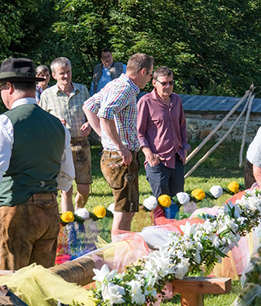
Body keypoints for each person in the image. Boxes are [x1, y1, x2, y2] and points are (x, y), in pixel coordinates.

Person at [0, 57, 75, 270]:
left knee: (10, 288)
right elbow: (67, 176)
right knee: (40, 284)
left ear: (9, 87)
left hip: (16, 212)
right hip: (50, 212)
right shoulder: (58, 126)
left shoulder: (6, 121)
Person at [83, 53, 154, 240]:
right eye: (150, 74)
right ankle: (119, 256)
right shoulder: (125, 89)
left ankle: (121, 252)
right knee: (124, 210)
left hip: (117, 154)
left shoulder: (114, 84)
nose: (150, 79)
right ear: (143, 71)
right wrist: (119, 146)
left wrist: (103, 136)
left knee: (127, 207)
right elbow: (105, 114)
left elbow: (88, 106)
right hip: (121, 157)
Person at [39, 57, 91, 213]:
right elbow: (41, 122)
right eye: (62, 73)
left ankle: (78, 211)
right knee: (66, 190)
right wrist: (53, 123)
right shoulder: (47, 95)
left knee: (84, 190)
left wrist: (89, 124)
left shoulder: (83, 90)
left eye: (68, 72)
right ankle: (69, 226)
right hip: (60, 147)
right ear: (54, 75)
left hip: (81, 144)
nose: (66, 76)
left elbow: (92, 115)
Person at [137, 67, 189, 214]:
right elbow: (139, 132)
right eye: (164, 83)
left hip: (176, 158)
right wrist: (148, 154)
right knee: (161, 203)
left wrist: (184, 149)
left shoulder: (176, 100)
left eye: (171, 83)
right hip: (157, 161)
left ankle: (174, 233)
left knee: (178, 201)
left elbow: (182, 126)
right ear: (154, 83)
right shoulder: (145, 102)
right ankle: (160, 232)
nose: (168, 87)